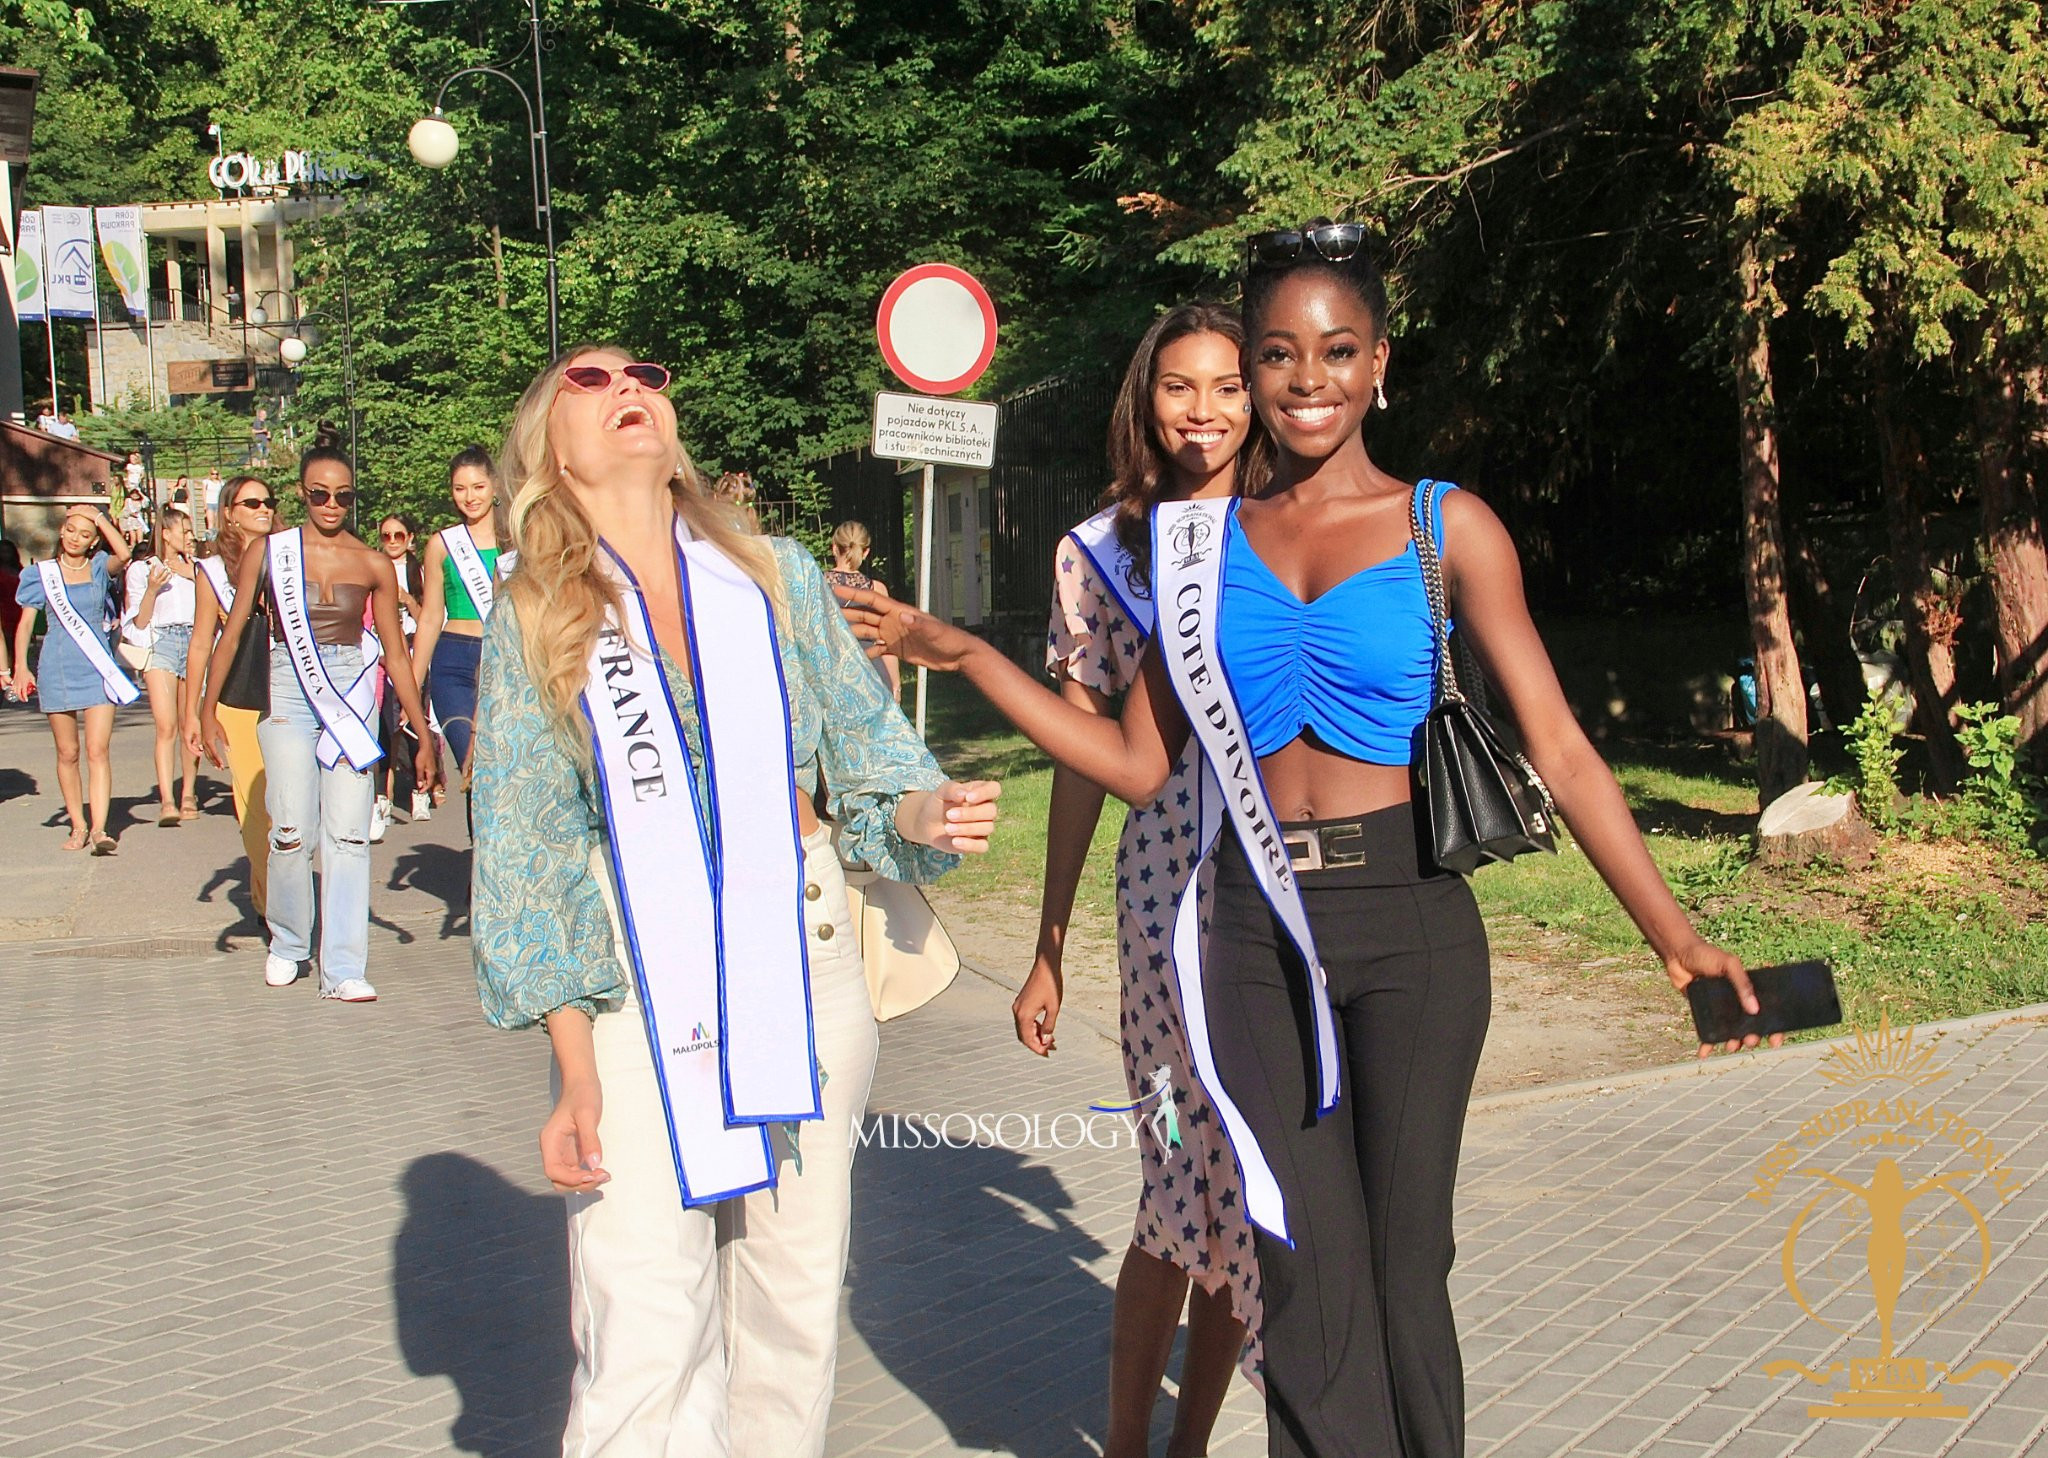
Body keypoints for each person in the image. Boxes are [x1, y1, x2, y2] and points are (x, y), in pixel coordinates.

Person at [845, 224, 1774, 1458]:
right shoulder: (1196, 546)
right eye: (1276, 353)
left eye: (1335, 351)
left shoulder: (1449, 528)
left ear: (1379, 362)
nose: (1304, 379)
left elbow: (1558, 747)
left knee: (1401, 1263)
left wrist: (1673, 938)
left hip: (1411, 930)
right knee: (1296, 1268)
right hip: (1248, 939)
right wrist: (964, 656)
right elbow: (1132, 763)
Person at [469, 346, 1002, 1458]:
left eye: (645, 374)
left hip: (802, 967)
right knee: (643, 1323)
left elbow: (869, 758)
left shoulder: (771, 573)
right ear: (547, 452)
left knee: (790, 1316)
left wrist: (917, 815)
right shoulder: (539, 611)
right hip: (634, 993)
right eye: (588, 379)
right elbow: (530, 846)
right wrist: (570, 1064)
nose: (627, 388)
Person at [1016, 303, 1269, 1458]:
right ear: (1144, 397)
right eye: (1179, 386)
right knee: (1176, 1188)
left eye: (1226, 385)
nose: (1204, 411)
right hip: (1166, 899)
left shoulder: (1291, 528)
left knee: (1254, 1195)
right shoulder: (1098, 554)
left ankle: (1191, 1442)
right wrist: (1049, 942)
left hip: (1284, 896)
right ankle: (1128, 1447)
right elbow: (1079, 764)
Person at [197, 440, 435, 1001]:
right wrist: (207, 709)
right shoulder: (270, 551)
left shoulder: (373, 563)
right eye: (321, 493)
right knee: (291, 830)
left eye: (344, 496)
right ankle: (288, 943)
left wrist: (421, 731)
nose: (332, 504)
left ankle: (345, 967)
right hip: (287, 683)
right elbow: (231, 633)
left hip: (348, 688)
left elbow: (396, 654)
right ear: (303, 493)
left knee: (350, 836)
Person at [13, 505, 134, 853]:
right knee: (68, 752)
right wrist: (22, 666)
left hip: (98, 670)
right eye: (71, 530)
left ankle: (99, 829)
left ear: (94, 540)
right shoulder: (42, 574)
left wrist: (98, 517)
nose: (75, 538)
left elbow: (124, 554)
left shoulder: (99, 568)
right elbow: (25, 624)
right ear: (61, 531)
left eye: (85, 534)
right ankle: (77, 825)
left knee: (98, 750)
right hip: (58, 666)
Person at [183, 476, 278, 917]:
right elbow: (202, 643)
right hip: (240, 695)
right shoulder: (214, 572)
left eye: (268, 501)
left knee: (292, 803)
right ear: (229, 513)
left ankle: (286, 889)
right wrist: (195, 714)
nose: (263, 508)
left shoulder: (293, 554)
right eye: (252, 502)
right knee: (254, 804)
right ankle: (270, 904)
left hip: (292, 690)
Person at [410, 445, 507, 795]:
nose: (469, 497)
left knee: (502, 763)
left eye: (478, 487)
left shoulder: (517, 539)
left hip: (504, 660)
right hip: (454, 663)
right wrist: (413, 684)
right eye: (460, 488)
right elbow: (431, 616)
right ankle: (477, 850)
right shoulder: (441, 544)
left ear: (495, 486)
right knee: (474, 764)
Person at [126, 506, 201, 825]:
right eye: (183, 531)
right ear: (166, 533)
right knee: (166, 724)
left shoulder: (200, 569)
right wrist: (153, 589)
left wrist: (192, 574)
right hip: (161, 643)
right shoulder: (143, 569)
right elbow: (139, 622)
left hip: (195, 640)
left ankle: (188, 793)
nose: (189, 537)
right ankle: (167, 800)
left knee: (189, 723)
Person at [372, 513, 430, 839]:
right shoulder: (374, 568)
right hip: (384, 655)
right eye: (386, 536)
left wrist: (407, 599)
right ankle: (383, 797)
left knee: (414, 723)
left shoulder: (418, 571)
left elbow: (429, 618)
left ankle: (420, 792)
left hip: (413, 652)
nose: (392, 542)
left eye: (398, 536)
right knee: (386, 726)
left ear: (409, 539)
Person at [823, 520, 900, 698]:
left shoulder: (818, 585)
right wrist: (895, 684)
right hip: (874, 673)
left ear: (834, 548)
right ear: (865, 552)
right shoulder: (877, 590)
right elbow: (886, 642)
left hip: (833, 674)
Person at [119, 482, 149, 547]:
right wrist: (130, 514)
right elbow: (124, 511)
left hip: (138, 521)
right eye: (133, 494)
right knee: (133, 538)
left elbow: (146, 501)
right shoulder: (128, 501)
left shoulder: (141, 501)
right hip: (131, 521)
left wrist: (140, 493)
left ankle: (141, 551)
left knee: (140, 538)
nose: (135, 496)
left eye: (136, 494)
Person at [201, 469, 226, 537]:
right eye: (213, 474)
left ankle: (218, 537)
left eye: (216, 474)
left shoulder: (221, 482)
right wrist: (205, 504)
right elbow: (204, 493)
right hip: (210, 503)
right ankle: (210, 538)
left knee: (218, 523)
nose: (214, 475)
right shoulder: (206, 482)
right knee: (210, 523)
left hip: (218, 503)